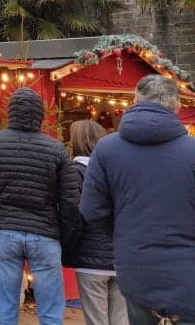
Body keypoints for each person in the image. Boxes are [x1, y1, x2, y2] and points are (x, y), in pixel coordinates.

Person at [80, 75, 195, 325]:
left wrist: (125, 232)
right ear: (176, 106)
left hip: (136, 269)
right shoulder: (191, 151)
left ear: (135, 101)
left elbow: (91, 209)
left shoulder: (107, 149)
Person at [0, 87, 79, 325]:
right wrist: (65, 237)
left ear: (11, 113)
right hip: (46, 234)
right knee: (50, 313)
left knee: (5, 310)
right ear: (39, 114)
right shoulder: (56, 150)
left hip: (4, 231)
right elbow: (70, 201)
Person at [64, 120, 126, 325]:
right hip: (120, 256)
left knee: (96, 320)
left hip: (89, 259)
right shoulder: (118, 171)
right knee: (120, 319)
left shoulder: (73, 173)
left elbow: (73, 215)